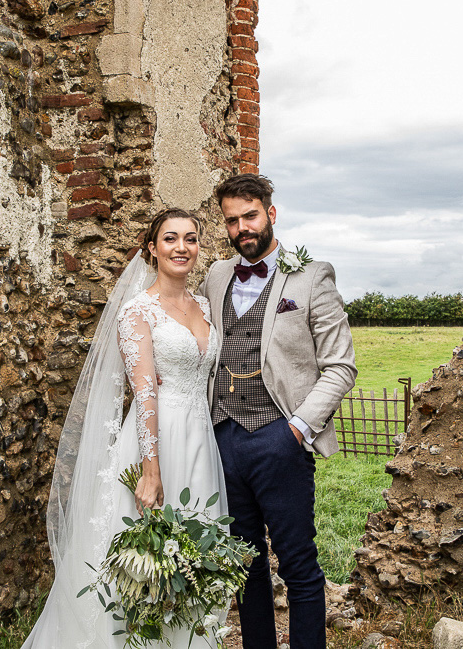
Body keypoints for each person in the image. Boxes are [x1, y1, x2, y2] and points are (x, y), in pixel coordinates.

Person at [22, 208, 227, 648]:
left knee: (191, 555)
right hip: (155, 441)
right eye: (170, 239)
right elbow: (145, 394)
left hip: (199, 441)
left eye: (191, 239)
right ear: (152, 249)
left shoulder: (205, 306)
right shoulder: (137, 312)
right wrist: (150, 471)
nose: (182, 248)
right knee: (145, 560)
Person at [198, 174, 357, 649]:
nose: (242, 228)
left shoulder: (312, 277)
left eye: (250, 215)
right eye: (232, 221)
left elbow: (341, 366)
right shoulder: (215, 276)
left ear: (271, 212)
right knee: (245, 564)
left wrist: (296, 430)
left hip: (281, 440)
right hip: (223, 437)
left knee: (298, 564)